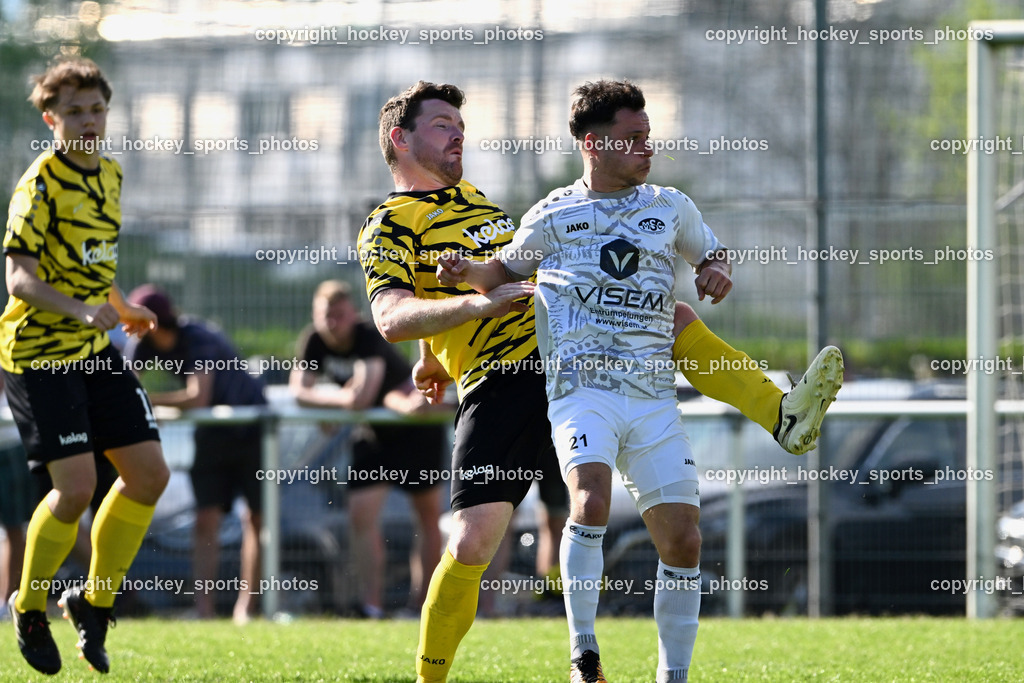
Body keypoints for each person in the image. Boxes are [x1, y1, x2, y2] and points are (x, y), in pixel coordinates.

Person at [362, 81, 841, 683]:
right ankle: (434, 677)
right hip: (503, 382)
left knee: (671, 316)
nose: (458, 133)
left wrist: (436, 351)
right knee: (470, 543)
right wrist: (459, 326)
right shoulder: (389, 223)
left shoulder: (486, 206)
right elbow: (392, 316)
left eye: (460, 123)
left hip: (581, 366)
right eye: (440, 124)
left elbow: (512, 274)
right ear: (398, 139)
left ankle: (782, 414)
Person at [3, 57, 170, 676]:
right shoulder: (39, 184)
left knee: (149, 475)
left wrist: (121, 307)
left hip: (92, 351)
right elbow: (18, 278)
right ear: (51, 119)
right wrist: (79, 309)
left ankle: (94, 603)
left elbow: (95, 263)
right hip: (39, 355)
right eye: (73, 112)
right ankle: (28, 606)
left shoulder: (111, 176)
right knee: (75, 490)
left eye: (96, 109)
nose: (88, 121)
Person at [289, 279, 447, 617]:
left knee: (427, 517)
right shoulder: (313, 341)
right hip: (371, 434)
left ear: (354, 314)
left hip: (412, 430)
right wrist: (340, 400)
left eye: (340, 315)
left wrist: (338, 402)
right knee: (360, 516)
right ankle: (371, 605)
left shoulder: (368, 335)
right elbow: (300, 392)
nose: (333, 323)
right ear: (316, 316)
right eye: (326, 315)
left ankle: (422, 606)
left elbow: (363, 395)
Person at [123, 284, 266, 624]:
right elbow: (126, 389)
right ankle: (203, 611)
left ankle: (246, 608)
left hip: (251, 431)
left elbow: (196, 397)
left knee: (256, 521)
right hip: (211, 436)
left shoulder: (198, 337)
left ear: (154, 321)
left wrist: (149, 402)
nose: (130, 326)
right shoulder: (140, 345)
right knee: (206, 520)